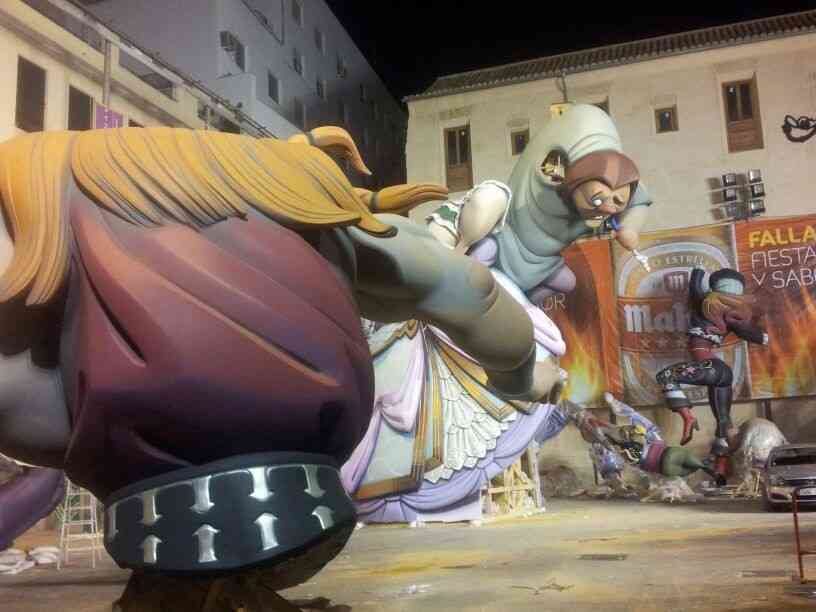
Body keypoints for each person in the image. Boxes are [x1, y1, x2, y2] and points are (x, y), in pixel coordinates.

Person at [0, 125, 558, 610]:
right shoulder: (290, 192)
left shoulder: (37, 189)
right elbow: (465, 286)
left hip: (139, 459)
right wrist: (517, 373)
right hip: (299, 455)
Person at [427, 104, 652, 305]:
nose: (607, 208)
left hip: (544, 263)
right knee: (483, 252)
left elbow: (639, 200)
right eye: (597, 199)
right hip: (507, 245)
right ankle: (459, 296)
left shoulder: (602, 205)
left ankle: (525, 306)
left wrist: (630, 229)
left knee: (568, 283)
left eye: (617, 202)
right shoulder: (548, 188)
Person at [656, 267, 768, 478]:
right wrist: (763, 336)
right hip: (720, 372)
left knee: (666, 375)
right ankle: (720, 470)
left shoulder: (710, 304)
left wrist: (699, 270)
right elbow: (757, 337)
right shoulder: (727, 312)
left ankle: (688, 417)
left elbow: (695, 284)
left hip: (712, 367)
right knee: (723, 421)